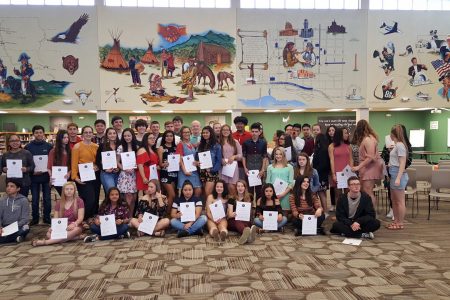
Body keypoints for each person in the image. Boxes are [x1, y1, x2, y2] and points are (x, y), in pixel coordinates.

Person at [31, 182, 84, 246]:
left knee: (76, 230)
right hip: (62, 226)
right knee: (48, 233)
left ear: (74, 191)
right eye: (67, 189)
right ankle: (75, 238)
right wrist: (53, 227)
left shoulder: (79, 201)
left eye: (71, 189)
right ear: (63, 191)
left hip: (74, 226)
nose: (69, 191)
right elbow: (56, 218)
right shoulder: (59, 202)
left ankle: (45, 242)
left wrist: (74, 224)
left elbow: (80, 218)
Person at [23, 125, 52, 225]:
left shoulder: (49, 146)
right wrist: (31, 171)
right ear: (33, 134)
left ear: (43, 133)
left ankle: (47, 217)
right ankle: (35, 218)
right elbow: (26, 162)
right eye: (36, 132)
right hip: (33, 177)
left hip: (46, 177)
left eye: (40, 132)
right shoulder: (28, 147)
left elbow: (52, 161)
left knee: (47, 199)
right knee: (34, 199)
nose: (39, 134)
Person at [351, 120, 383, 208]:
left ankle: (372, 214)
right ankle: (368, 212)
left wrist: (358, 167)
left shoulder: (368, 139)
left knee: (368, 191)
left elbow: (370, 157)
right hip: (368, 167)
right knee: (364, 190)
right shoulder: (369, 138)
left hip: (370, 168)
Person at [71, 125, 99, 221]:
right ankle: (82, 219)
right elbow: (74, 163)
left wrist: (98, 166)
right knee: (88, 199)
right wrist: (75, 177)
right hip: (82, 176)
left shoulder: (96, 146)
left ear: (92, 134)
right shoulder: (77, 147)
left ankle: (91, 219)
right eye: (86, 132)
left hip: (95, 176)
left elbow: (99, 161)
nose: (88, 134)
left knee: (95, 198)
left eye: (90, 132)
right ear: (82, 134)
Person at [386, 124, 409, 230]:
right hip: (393, 172)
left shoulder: (400, 145)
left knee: (399, 201)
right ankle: (396, 221)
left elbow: (402, 163)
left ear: (393, 134)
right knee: (394, 200)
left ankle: (400, 223)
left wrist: (398, 178)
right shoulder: (396, 145)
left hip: (397, 174)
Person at [329, 127, 353, 208]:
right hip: (337, 172)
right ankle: (339, 214)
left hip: (347, 172)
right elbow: (331, 160)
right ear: (340, 134)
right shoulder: (332, 146)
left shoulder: (348, 146)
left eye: (347, 133)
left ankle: (348, 213)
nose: (347, 135)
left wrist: (351, 172)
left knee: (348, 194)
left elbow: (351, 159)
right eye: (345, 133)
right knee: (338, 195)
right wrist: (333, 174)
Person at [242, 123, 268, 200]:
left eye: (256, 131)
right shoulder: (246, 143)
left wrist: (263, 169)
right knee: (249, 190)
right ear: (250, 132)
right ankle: (249, 208)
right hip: (249, 169)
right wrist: (245, 168)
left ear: (259, 132)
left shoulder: (263, 143)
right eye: (252, 131)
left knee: (259, 190)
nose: (254, 133)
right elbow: (244, 156)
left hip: (259, 169)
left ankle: (258, 209)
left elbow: (264, 157)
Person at [227, 180, 257, 244]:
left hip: (245, 220)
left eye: (242, 186)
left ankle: (246, 236)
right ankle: (247, 233)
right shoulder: (231, 199)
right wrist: (233, 214)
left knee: (246, 222)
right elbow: (229, 215)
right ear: (236, 188)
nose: (240, 188)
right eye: (238, 186)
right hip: (233, 221)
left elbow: (250, 211)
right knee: (238, 221)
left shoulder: (249, 197)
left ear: (245, 187)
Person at [117, 128, 138, 217]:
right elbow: (117, 162)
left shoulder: (136, 147)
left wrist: (135, 167)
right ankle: (126, 217)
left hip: (134, 175)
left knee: (134, 198)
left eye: (129, 135)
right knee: (127, 198)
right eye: (125, 136)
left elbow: (138, 161)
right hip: (125, 175)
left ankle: (131, 217)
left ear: (132, 136)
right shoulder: (121, 147)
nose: (127, 137)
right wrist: (124, 169)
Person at [266, 146, 294, 214]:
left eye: (280, 154)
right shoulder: (270, 167)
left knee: (284, 216)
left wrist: (283, 194)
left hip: (285, 195)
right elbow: (268, 182)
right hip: (272, 195)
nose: (278, 156)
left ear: (284, 155)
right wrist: (272, 194)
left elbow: (291, 183)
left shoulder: (289, 167)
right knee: (273, 215)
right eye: (276, 154)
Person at [176, 126, 202, 197]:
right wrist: (185, 171)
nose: (186, 134)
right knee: (185, 193)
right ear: (181, 134)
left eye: (187, 132)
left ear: (190, 133)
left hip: (193, 170)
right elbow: (180, 159)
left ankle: (195, 207)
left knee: (198, 190)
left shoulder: (191, 144)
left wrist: (196, 162)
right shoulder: (180, 144)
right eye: (184, 132)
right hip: (184, 172)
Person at [198, 126, 222, 198]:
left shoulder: (216, 146)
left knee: (208, 192)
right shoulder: (201, 145)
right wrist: (197, 162)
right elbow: (197, 157)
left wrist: (212, 170)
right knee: (205, 192)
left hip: (212, 172)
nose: (205, 134)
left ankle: (209, 207)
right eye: (203, 133)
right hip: (202, 171)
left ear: (211, 133)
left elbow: (219, 160)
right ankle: (207, 207)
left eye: (207, 133)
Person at [157, 131, 177, 212]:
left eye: (171, 136)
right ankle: (167, 213)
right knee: (172, 195)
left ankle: (167, 212)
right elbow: (160, 164)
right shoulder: (161, 148)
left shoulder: (176, 147)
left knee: (170, 195)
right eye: (167, 136)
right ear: (164, 138)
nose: (169, 137)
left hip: (175, 174)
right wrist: (164, 164)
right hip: (165, 174)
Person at [219, 124, 242, 195]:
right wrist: (221, 159)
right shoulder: (218, 142)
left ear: (230, 131)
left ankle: (233, 203)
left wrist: (234, 157)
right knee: (223, 187)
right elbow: (215, 155)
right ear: (221, 131)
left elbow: (240, 155)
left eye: (227, 130)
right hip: (222, 167)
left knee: (232, 187)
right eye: (224, 130)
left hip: (233, 168)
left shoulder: (235, 142)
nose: (225, 131)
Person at [96, 127, 120, 195]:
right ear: (106, 135)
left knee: (118, 193)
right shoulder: (102, 146)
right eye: (110, 133)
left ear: (116, 134)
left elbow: (122, 160)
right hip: (106, 174)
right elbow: (97, 160)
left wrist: (119, 168)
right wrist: (105, 169)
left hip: (118, 173)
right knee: (111, 192)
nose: (112, 135)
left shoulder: (120, 146)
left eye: (114, 133)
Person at [47, 129, 71, 197]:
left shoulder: (70, 150)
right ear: (59, 139)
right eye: (64, 137)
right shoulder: (53, 151)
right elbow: (49, 167)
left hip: (68, 178)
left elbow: (72, 165)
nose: (66, 139)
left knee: (69, 197)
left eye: (67, 137)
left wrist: (69, 173)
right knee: (64, 197)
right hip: (58, 179)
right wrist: (51, 176)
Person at [312, 133, 331, 211]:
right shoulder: (326, 150)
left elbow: (321, 164)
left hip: (319, 175)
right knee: (322, 193)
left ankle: (325, 210)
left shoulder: (320, 151)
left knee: (321, 193)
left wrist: (314, 171)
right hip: (324, 175)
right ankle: (324, 210)